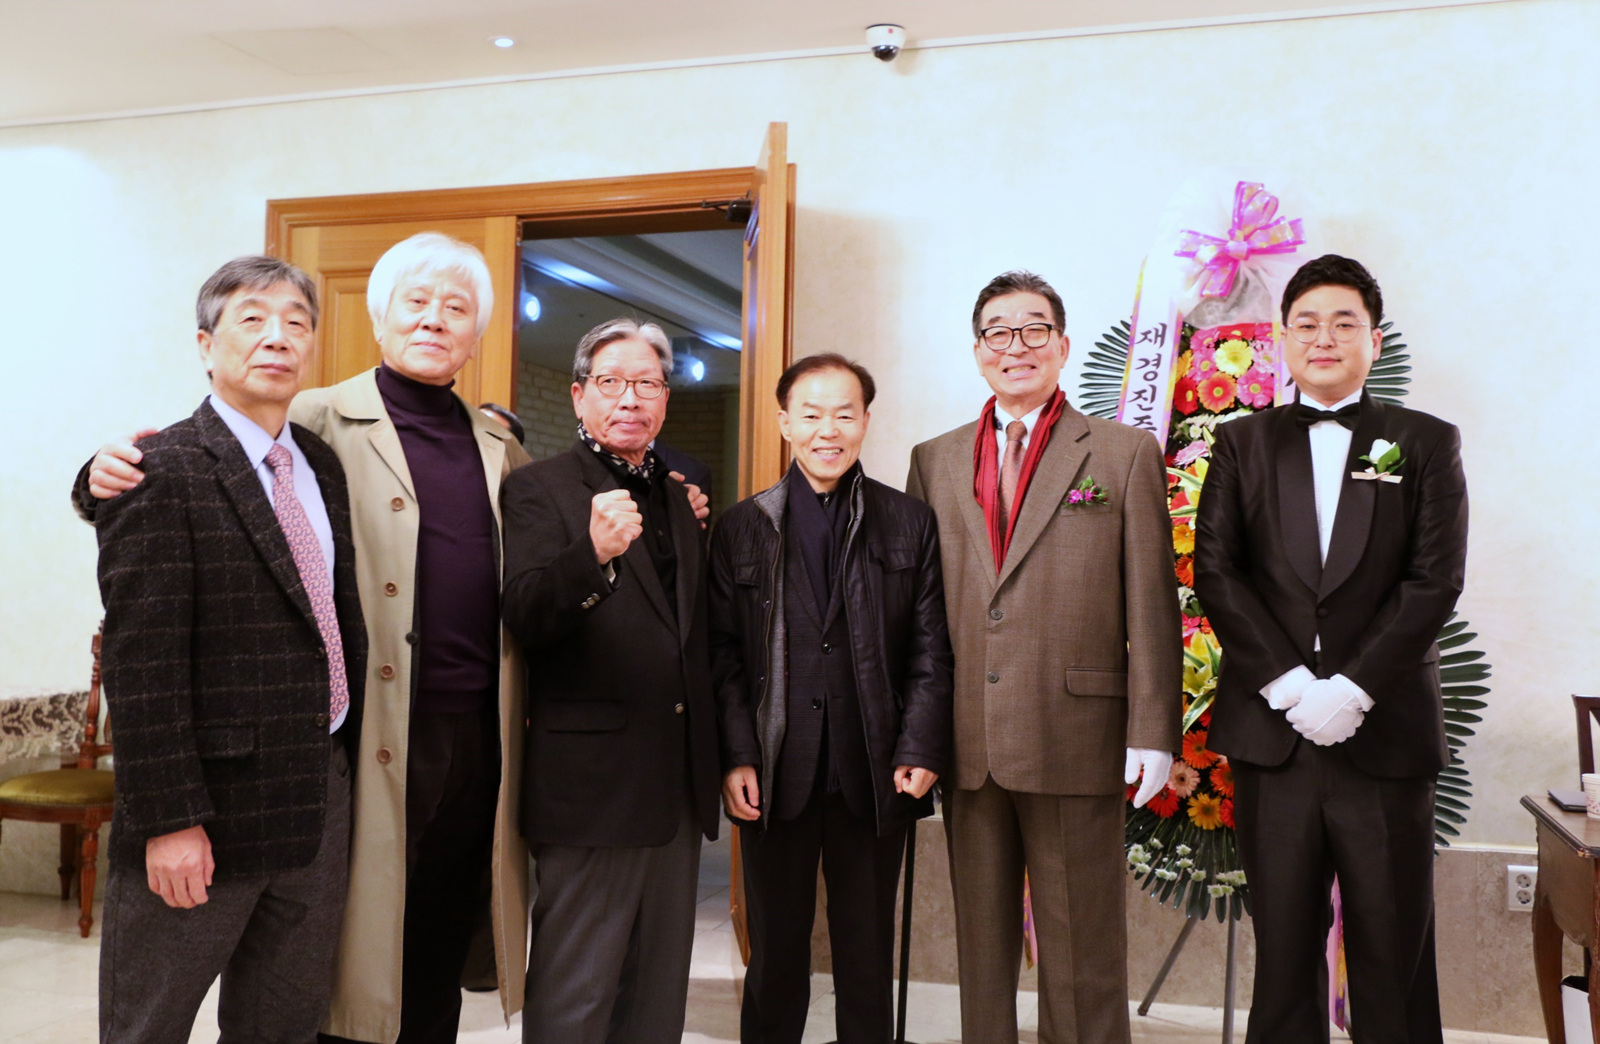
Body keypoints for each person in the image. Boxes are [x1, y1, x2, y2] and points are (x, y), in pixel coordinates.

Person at [80, 233, 649, 1043]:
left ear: (477, 334)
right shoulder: (315, 419)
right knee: (348, 957)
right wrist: (95, 478)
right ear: (379, 320)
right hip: (370, 731)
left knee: (428, 937)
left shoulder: (495, 447)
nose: (434, 319)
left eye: (456, 308)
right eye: (416, 301)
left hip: (463, 733)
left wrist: (667, 500)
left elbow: (549, 546)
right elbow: (189, 477)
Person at [1195, 254, 1468, 1044]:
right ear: (1283, 340)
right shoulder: (1242, 442)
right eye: (1307, 323)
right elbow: (1217, 571)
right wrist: (1289, 686)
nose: (1324, 338)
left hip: (1382, 735)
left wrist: (1351, 690)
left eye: (1344, 323)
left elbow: (1434, 581)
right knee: (1283, 950)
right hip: (1273, 737)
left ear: (1374, 341)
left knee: (1392, 947)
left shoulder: (1424, 441)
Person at [905, 270, 1181, 1043]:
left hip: (1075, 733)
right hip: (967, 736)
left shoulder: (1123, 454)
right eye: (998, 332)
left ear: (1061, 346)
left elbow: (1152, 603)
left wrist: (1153, 729)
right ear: (977, 351)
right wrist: (915, 732)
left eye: (1033, 330)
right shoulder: (933, 459)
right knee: (981, 951)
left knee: (1083, 950)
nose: (1015, 346)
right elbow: (917, 613)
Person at [94, 256, 366, 1042]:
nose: (278, 337)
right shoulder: (159, 469)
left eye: (296, 322)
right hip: (205, 814)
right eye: (253, 319)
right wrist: (169, 821)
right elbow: (140, 666)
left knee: (284, 1025)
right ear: (206, 345)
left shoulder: (320, 464)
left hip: (317, 800)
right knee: (149, 1026)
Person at [710, 354, 953, 1043]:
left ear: (866, 422)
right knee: (775, 955)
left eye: (844, 414)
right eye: (811, 414)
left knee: (867, 956)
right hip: (774, 770)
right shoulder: (740, 527)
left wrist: (920, 745)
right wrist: (736, 755)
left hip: (873, 772)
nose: (828, 430)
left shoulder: (909, 522)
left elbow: (931, 648)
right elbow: (722, 656)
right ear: (785, 422)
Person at [500, 317, 722, 1043]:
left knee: (655, 1002)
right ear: (579, 395)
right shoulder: (537, 489)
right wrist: (589, 555)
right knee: (577, 996)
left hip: (675, 783)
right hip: (591, 786)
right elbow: (525, 615)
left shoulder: (682, 497)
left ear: (665, 398)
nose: (630, 398)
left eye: (647, 383)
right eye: (611, 382)